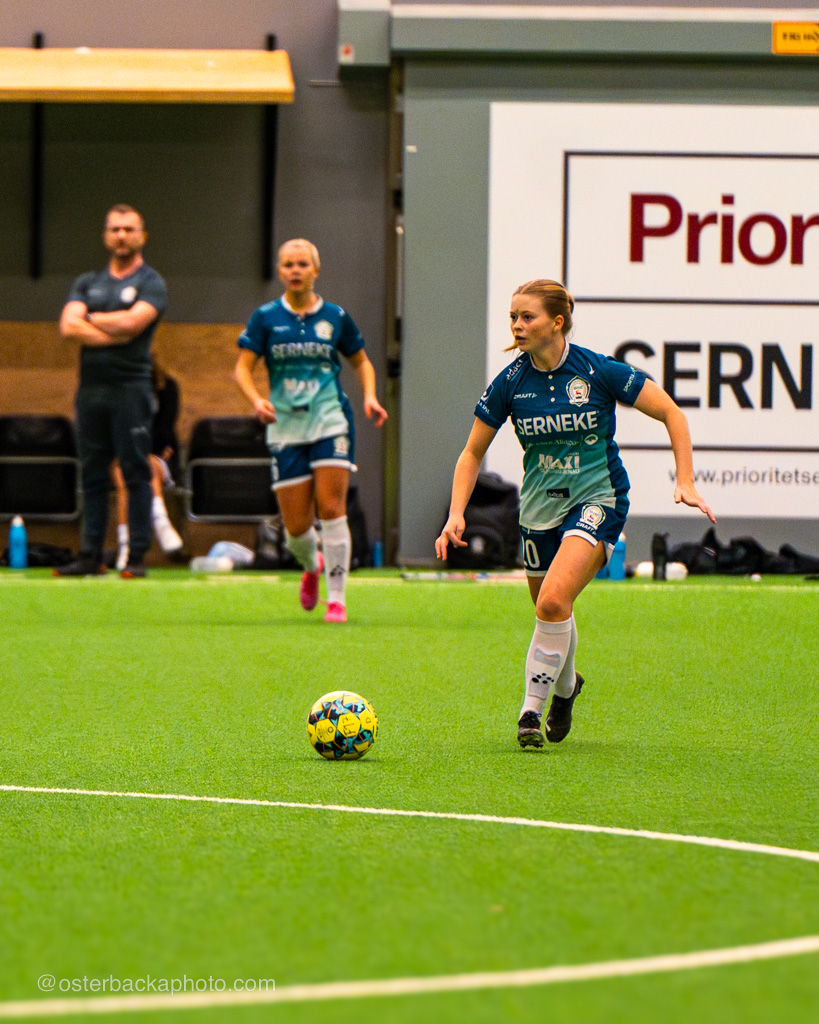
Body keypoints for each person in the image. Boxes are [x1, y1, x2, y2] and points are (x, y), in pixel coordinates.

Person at [436, 279, 715, 748]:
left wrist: (684, 480)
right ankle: (567, 688)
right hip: (538, 509)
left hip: (598, 500)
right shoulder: (509, 382)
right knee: (552, 611)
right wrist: (456, 513)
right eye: (513, 317)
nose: (517, 325)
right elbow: (471, 454)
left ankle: (530, 712)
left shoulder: (598, 371)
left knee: (551, 602)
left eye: (527, 317)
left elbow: (673, 413)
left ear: (557, 322)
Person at [233, 238, 388, 622]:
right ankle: (311, 565)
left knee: (332, 508)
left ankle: (337, 599)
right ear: (280, 270)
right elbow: (242, 367)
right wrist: (256, 400)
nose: (295, 271)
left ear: (316, 270)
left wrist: (370, 395)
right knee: (296, 528)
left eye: (303, 264)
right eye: (288, 264)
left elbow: (361, 361)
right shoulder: (266, 317)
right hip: (285, 426)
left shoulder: (335, 316)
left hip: (330, 419)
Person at [55, 204, 167, 578]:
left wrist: (89, 318)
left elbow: (134, 324)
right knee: (92, 474)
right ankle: (90, 555)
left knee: (135, 471)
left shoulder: (152, 283)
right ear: (106, 236)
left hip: (130, 391)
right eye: (115, 229)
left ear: (142, 236)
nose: (122, 235)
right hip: (91, 392)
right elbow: (67, 327)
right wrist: (112, 331)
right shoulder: (88, 281)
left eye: (129, 229)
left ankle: (136, 557)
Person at [110, 358, 184, 570]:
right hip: (122, 457)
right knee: (126, 474)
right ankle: (128, 545)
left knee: (143, 464)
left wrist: (142, 448)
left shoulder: (167, 387)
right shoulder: (117, 390)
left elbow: (165, 430)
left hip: (158, 457)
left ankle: (158, 523)